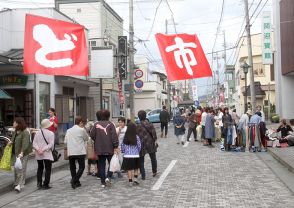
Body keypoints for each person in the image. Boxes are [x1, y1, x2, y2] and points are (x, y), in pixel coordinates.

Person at [90, 110, 119, 188]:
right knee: (112, 164)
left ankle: (103, 182)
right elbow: (114, 136)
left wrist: (97, 139)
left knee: (101, 165)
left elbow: (92, 135)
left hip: (99, 149)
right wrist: (116, 146)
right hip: (110, 148)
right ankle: (108, 177)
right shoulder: (111, 124)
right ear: (108, 115)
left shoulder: (96, 124)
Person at [65, 116, 88, 189]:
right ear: (80, 122)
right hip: (80, 151)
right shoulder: (81, 130)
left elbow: (65, 141)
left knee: (72, 167)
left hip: (71, 151)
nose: (83, 124)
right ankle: (74, 180)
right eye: (83, 123)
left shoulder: (68, 130)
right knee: (82, 167)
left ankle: (76, 182)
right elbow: (86, 138)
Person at [9, 117, 32, 192]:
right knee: (16, 168)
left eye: (14, 122)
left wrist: (22, 152)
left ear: (18, 123)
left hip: (23, 153)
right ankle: (16, 182)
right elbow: (13, 139)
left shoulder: (25, 132)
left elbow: (25, 143)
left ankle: (20, 184)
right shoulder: (16, 131)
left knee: (22, 168)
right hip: (16, 152)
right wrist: (10, 142)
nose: (13, 124)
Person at [33, 119, 55, 190]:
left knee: (40, 168)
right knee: (48, 168)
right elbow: (51, 144)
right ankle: (46, 184)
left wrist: (38, 149)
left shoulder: (37, 133)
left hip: (38, 153)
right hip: (47, 153)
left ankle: (39, 183)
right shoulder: (51, 133)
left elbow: (34, 143)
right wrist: (44, 149)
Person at [136, 110, 158, 180]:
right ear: (145, 116)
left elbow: (136, 136)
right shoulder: (150, 124)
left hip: (142, 144)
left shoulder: (138, 126)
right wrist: (154, 140)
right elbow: (154, 135)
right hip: (150, 143)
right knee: (153, 158)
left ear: (139, 117)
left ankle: (143, 175)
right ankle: (154, 171)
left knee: (141, 160)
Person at [121, 122, 141, 186]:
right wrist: (138, 151)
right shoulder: (136, 137)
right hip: (136, 155)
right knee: (136, 168)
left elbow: (122, 145)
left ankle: (130, 181)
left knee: (129, 169)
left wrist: (124, 151)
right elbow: (139, 146)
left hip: (127, 155)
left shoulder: (125, 137)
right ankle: (135, 179)